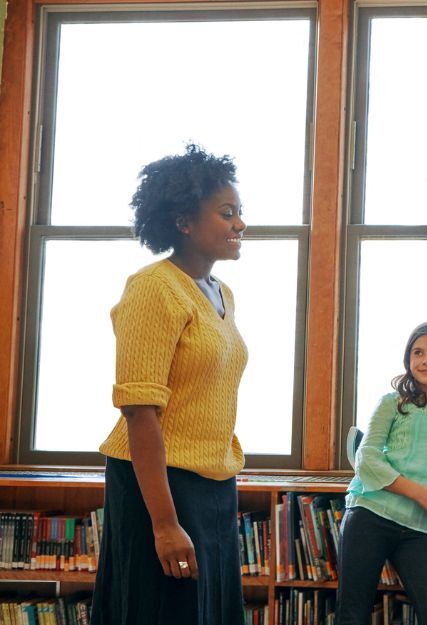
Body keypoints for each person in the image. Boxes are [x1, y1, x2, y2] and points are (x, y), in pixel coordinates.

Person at [92, 144, 248, 625]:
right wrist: (163, 524)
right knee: (164, 610)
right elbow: (139, 410)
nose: (240, 224)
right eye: (227, 213)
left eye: (239, 212)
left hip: (213, 485)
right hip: (159, 485)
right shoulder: (153, 287)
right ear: (183, 222)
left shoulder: (222, 293)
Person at [336, 321, 427, 625]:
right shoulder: (392, 402)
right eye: (418, 352)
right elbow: (367, 458)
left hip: (420, 530)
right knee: (352, 615)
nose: (426, 359)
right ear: (408, 359)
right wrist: (422, 494)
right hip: (369, 516)